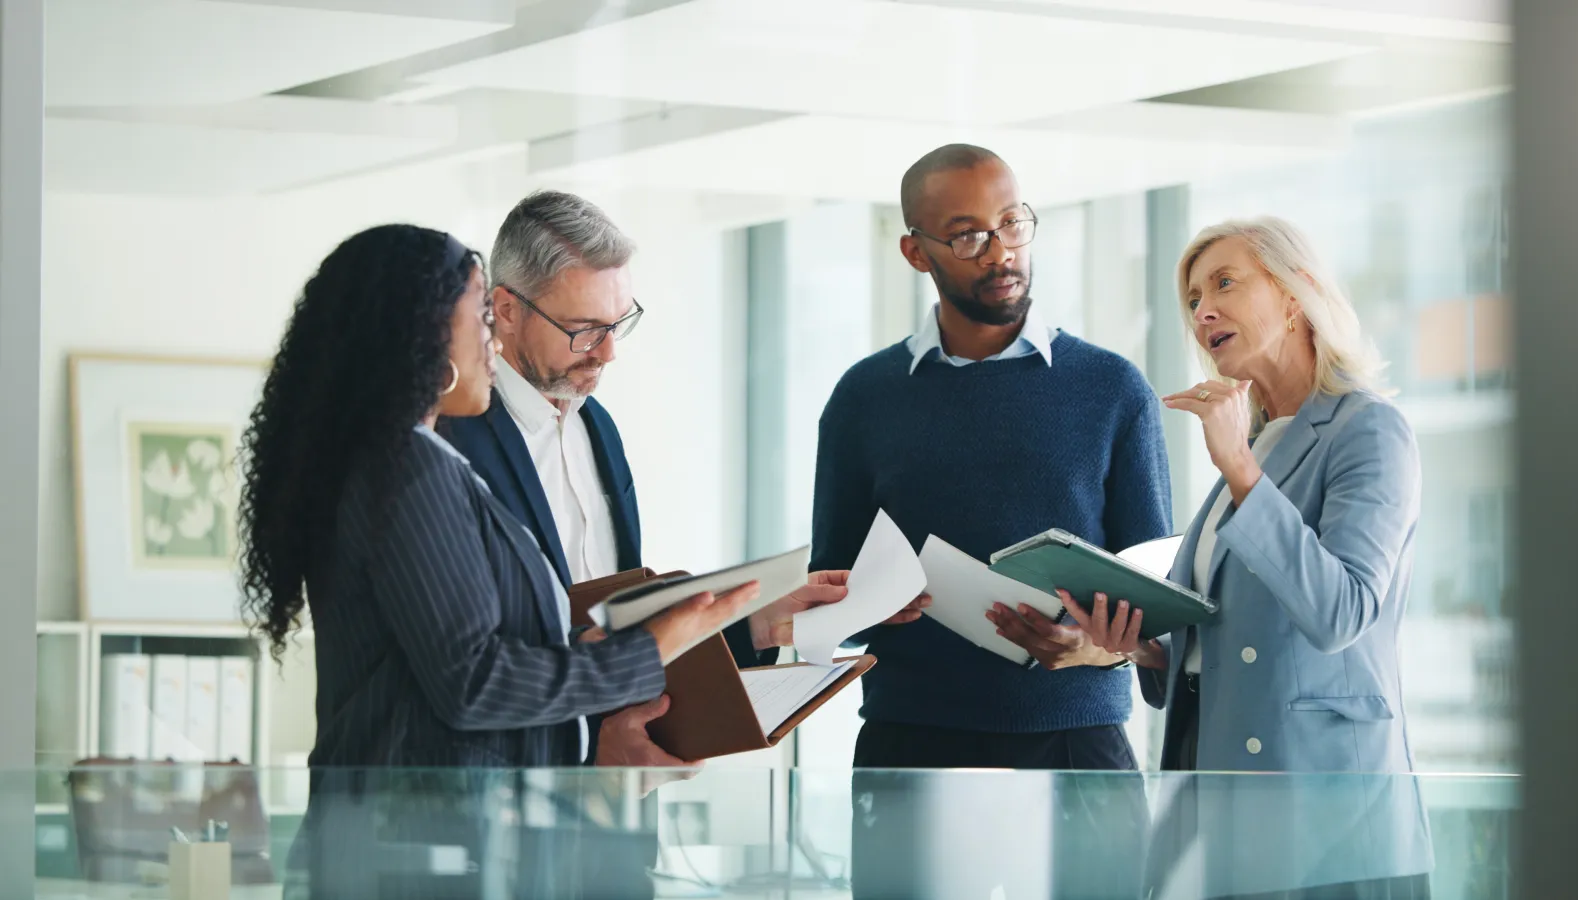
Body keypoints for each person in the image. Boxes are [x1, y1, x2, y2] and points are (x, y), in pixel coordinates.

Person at [237, 224, 754, 897]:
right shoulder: (408, 468)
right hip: (417, 855)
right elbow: (472, 680)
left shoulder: (404, 462)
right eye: (479, 317)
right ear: (419, 335)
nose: (490, 340)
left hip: (425, 846)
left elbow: (464, 656)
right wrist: (646, 652)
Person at [810, 144, 1172, 899]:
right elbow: (831, 594)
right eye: (970, 235)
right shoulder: (864, 399)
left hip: (1078, 743)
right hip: (914, 741)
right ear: (916, 251)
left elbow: (1156, 606)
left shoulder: (1112, 390)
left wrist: (1095, 648)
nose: (1002, 251)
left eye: (1013, 223)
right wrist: (869, 600)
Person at [438, 190, 872, 770]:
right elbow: (467, 664)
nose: (609, 352)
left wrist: (753, 623)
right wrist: (585, 763)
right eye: (585, 329)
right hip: (505, 788)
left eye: (619, 323)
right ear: (507, 310)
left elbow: (615, 622)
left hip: (619, 786)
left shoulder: (597, 428)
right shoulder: (450, 440)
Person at [1067, 216, 1434, 899]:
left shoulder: (1367, 431)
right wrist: (1142, 650)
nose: (1204, 311)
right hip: (1217, 800)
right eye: (1193, 300)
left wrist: (1236, 463)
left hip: (1332, 826)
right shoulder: (1255, 446)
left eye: (1225, 283)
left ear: (1297, 294)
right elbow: (1231, 640)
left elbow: (1341, 611)